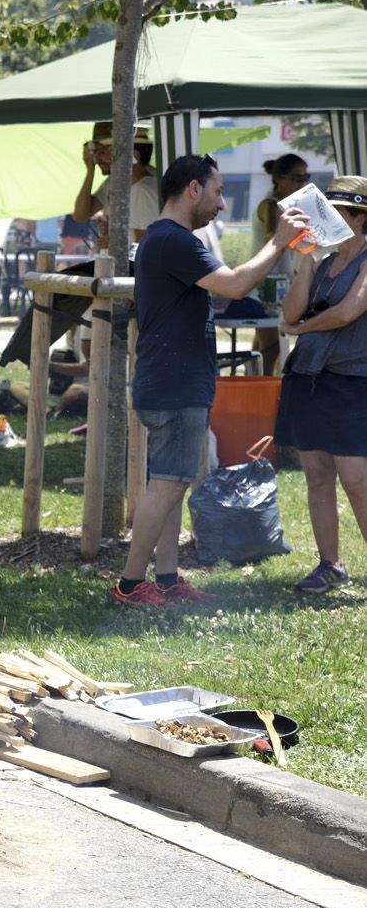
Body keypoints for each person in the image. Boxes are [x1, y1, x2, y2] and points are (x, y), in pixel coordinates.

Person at [113, 154, 308, 607]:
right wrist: (279, 242)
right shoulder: (173, 240)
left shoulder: (164, 240)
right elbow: (236, 284)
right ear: (193, 189)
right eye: (218, 192)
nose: (222, 205)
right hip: (174, 384)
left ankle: (165, 580)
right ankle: (129, 586)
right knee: (165, 485)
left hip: (171, 380)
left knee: (171, 482)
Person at [274, 177, 367, 594]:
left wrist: (304, 326)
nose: (324, 221)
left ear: (360, 218)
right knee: (316, 473)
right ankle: (330, 564)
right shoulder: (324, 262)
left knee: (356, 478)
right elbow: (287, 316)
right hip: (310, 378)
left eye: (336, 214)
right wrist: (307, 262)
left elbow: (347, 312)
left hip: (354, 382)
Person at [250, 153, 311, 374]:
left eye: (306, 178)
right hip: (267, 285)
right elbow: (274, 242)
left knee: (262, 350)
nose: (303, 184)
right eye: (297, 178)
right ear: (281, 179)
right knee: (269, 352)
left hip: (275, 281)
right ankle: (261, 398)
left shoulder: (284, 205)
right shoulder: (272, 205)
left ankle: (256, 392)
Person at [73, 123, 158, 250]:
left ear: (133, 155)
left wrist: (114, 239)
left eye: (104, 151)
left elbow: (154, 236)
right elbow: (80, 215)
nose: (97, 158)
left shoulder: (144, 188)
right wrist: (90, 170)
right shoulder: (115, 182)